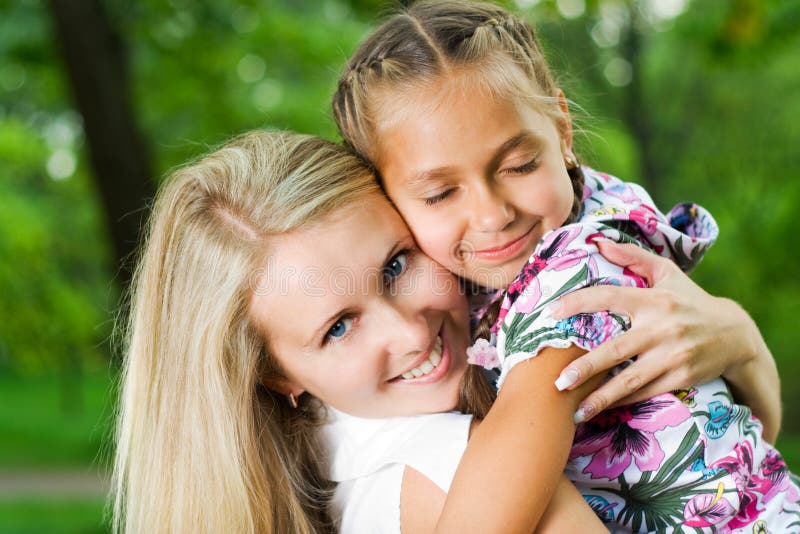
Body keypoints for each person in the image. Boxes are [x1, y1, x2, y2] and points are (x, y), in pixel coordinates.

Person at [330, 1, 799, 531]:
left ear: (562, 128)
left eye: (520, 165)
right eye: (440, 194)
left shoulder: (578, 266)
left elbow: (501, 490)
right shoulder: (567, 213)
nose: (493, 214)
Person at [111, 130, 608, 533]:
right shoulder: (457, 468)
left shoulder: (335, 461)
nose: (411, 335)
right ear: (276, 377)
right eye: (340, 328)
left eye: (395, 265)